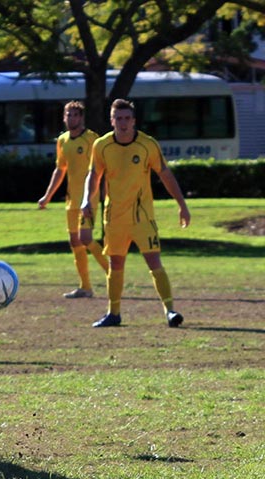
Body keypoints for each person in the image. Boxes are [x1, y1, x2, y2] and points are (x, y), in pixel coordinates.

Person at [81, 99, 190, 328]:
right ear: (112, 121)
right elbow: (93, 175)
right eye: (118, 118)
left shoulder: (147, 144)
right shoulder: (101, 146)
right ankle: (114, 313)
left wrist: (182, 204)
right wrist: (86, 200)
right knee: (116, 264)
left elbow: (165, 174)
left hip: (142, 216)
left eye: (127, 118)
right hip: (114, 217)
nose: (123, 123)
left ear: (134, 120)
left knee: (154, 261)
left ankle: (170, 311)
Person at [38, 101, 109, 298]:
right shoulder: (62, 140)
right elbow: (60, 169)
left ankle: (113, 273)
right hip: (71, 200)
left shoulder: (91, 139)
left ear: (81, 118)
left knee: (85, 238)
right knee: (75, 242)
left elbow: (102, 167)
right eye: (68, 115)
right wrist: (47, 196)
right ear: (64, 117)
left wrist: (104, 191)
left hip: (89, 198)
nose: (72, 118)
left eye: (75, 115)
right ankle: (85, 287)